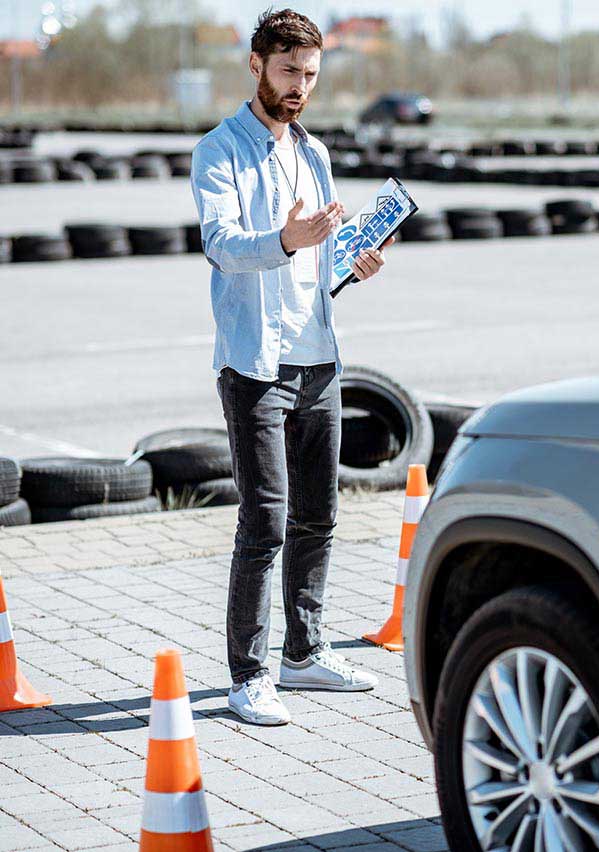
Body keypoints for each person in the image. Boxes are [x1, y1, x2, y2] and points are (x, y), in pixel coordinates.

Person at [190, 9, 393, 725]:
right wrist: (285, 237)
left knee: (321, 517)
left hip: (319, 361)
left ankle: (303, 656)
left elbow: (320, 261)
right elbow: (222, 244)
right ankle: (248, 677)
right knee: (265, 523)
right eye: (288, 72)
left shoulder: (315, 153)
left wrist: (353, 264)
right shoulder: (218, 151)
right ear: (255, 66)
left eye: (309, 75)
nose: (299, 87)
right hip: (256, 364)